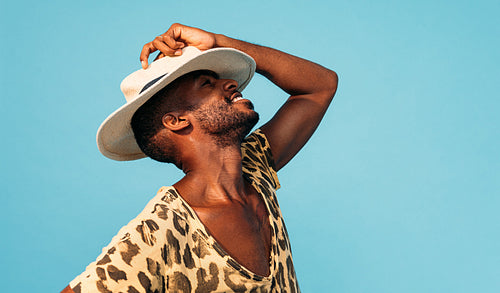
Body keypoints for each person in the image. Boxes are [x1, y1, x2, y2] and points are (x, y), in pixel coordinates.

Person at [62, 23, 338, 293]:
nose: (230, 82)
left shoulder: (254, 169)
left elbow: (320, 86)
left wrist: (218, 42)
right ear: (176, 120)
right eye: (207, 84)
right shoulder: (161, 229)